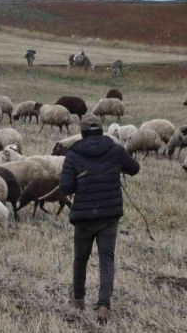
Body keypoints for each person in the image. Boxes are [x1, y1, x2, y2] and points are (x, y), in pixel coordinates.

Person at [59, 120, 140, 323]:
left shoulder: (73, 154)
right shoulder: (115, 150)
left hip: (84, 217)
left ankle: (78, 299)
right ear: (102, 131)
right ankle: (103, 304)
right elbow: (135, 168)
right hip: (108, 215)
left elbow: (66, 188)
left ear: (82, 133)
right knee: (106, 260)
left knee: (81, 258)